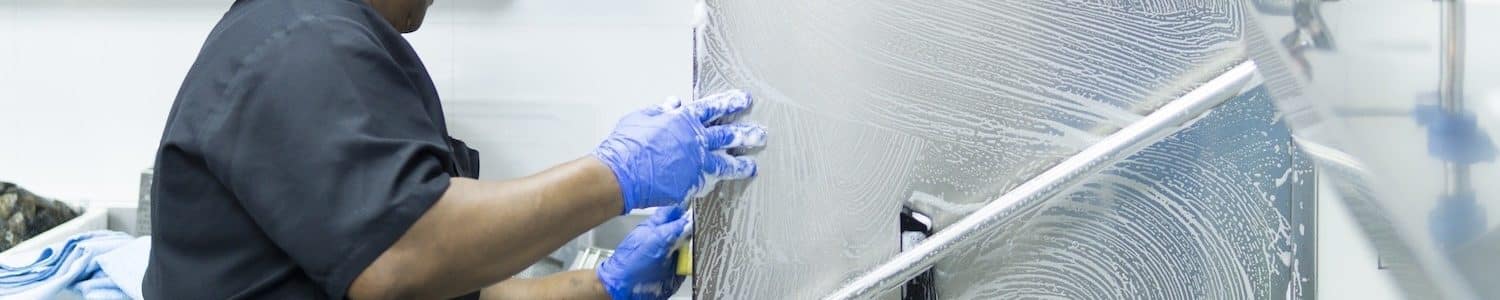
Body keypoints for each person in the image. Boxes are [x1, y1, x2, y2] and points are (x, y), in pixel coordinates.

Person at [143, 0, 767, 299]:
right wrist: (615, 175)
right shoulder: (303, 44)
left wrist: (601, 288)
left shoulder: (336, 38)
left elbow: (445, 285)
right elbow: (406, 255)